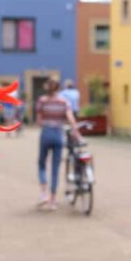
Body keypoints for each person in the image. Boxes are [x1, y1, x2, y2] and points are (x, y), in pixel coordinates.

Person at [36, 78, 79, 210]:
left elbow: (39, 121)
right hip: (58, 135)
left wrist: (46, 123)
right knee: (55, 168)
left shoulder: (42, 101)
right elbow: (70, 118)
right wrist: (75, 131)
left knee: (42, 163)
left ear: (47, 88)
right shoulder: (63, 101)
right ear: (58, 88)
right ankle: (52, 201)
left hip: (46, 133)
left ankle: (44, 193)